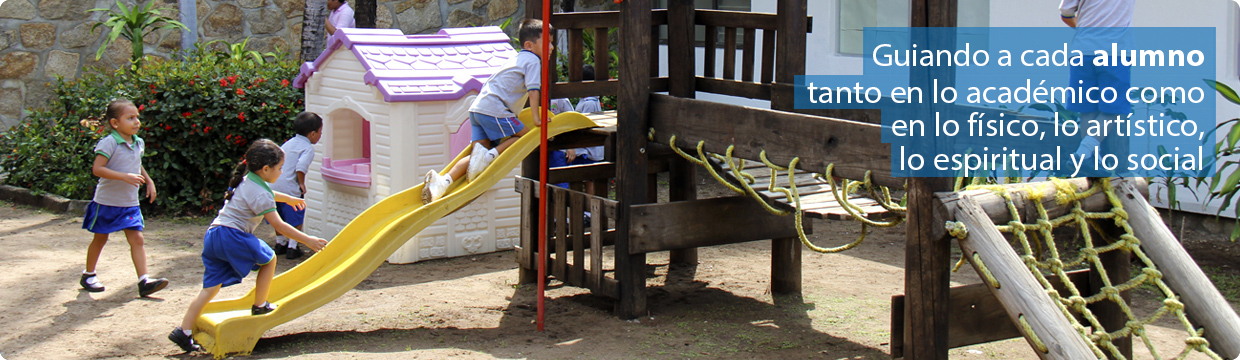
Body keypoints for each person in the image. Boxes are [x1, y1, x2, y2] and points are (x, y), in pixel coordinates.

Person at [167, 139, 328, 353]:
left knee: (210, 289)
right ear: (266, 169)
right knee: (269, 259)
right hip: (232, 235)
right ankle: (260, 305)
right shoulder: (260, 193)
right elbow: (279, 225)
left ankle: (183, 331)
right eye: (280, 168)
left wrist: (288, 198)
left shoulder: (247, 180)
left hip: (214, 234)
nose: (281, 172)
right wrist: (307, 239)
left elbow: (266, 194)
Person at [422, 18, 554, 204]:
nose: (551, 46)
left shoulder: (516, 58)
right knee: (525, 138)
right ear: (529, 45)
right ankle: (488, 156)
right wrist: (536, 118)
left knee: (475, 155)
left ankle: (442, 182)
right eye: (547, 41)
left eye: (552, 42)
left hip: (478, 109)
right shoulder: (533, 61)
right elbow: (533, 91)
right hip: (495, 110)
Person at [79, 99, 169, 297]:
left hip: (129, 204)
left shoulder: (138, 142)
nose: (136, 122)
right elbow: (98, 169)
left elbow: (136, 163)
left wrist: (149, 180)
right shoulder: (109, 142)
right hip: (107, 202)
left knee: (137, 238)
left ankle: (144, 281)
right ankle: (89, 275)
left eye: (137, 117)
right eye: (130, 118)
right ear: (115, 123)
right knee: (100, 238)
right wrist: (124, 177)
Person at [1060, 0, 1134, 162]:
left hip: (1082, 51)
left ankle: (1092, 158)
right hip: (1114, 52)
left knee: (1087, 109)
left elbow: (1066, 13)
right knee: (1115, 107)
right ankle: (1085, 150)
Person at [269, 112, 323, 260]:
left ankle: (280, 244)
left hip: (273, 185)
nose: (320, 135)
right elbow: (301, 166)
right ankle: (293, 246)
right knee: (295, 215)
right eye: (320, 132)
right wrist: (301, 183)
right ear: (312, 134)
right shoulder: (307, 148)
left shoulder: (288, 143)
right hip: (289, 188)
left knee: (278, 215)